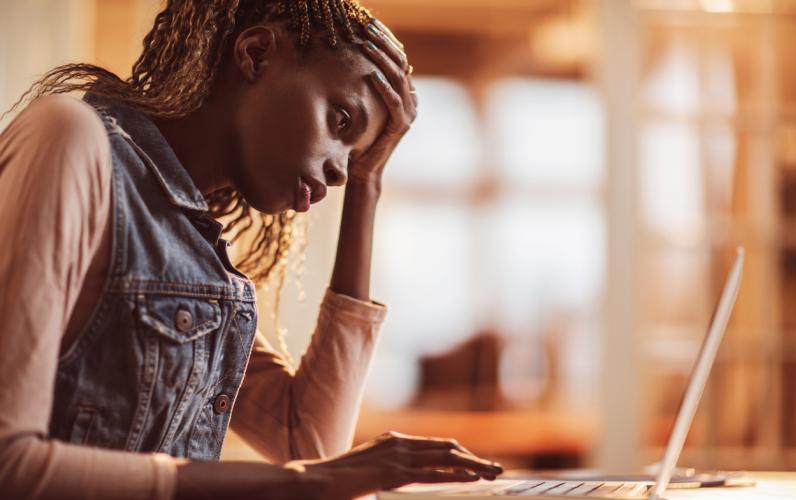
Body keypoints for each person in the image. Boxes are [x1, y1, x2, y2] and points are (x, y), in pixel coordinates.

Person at [0, 0, 504, 499]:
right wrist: (311, 483)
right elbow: (10, 464)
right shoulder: (71, 140)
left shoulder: (195, 251)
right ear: (258, 54)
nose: (341, 172)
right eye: (342, 121)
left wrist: (369, 185)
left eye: (355, 157)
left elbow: (309, 440)